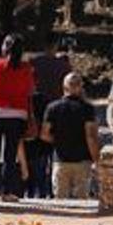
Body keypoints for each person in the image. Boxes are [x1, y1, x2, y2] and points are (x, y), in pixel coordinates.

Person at [0, 34, 35, 202]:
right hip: (17, 115)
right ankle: (7, 191)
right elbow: (29, 91)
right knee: (10, 154)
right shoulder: (27, 68)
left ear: (4, 48)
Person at [41, 73, 99, 200]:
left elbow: (44, 134)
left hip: (60, 160)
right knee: (82, 201)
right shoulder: (87, 108)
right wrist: (97, 159)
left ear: (63, 87)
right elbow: (91, 137)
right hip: (82, 161)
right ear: (81, 87)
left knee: (60, 202)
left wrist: (58, 141)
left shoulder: (52, 107)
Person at [27, 36, 72, 199]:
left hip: (36, 107)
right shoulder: (63, 66)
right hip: (57, 109)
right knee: (55, 149)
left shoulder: (33, 63)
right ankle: (51, 187)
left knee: (35, 149)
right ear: (55, 46)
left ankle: (34, 187)